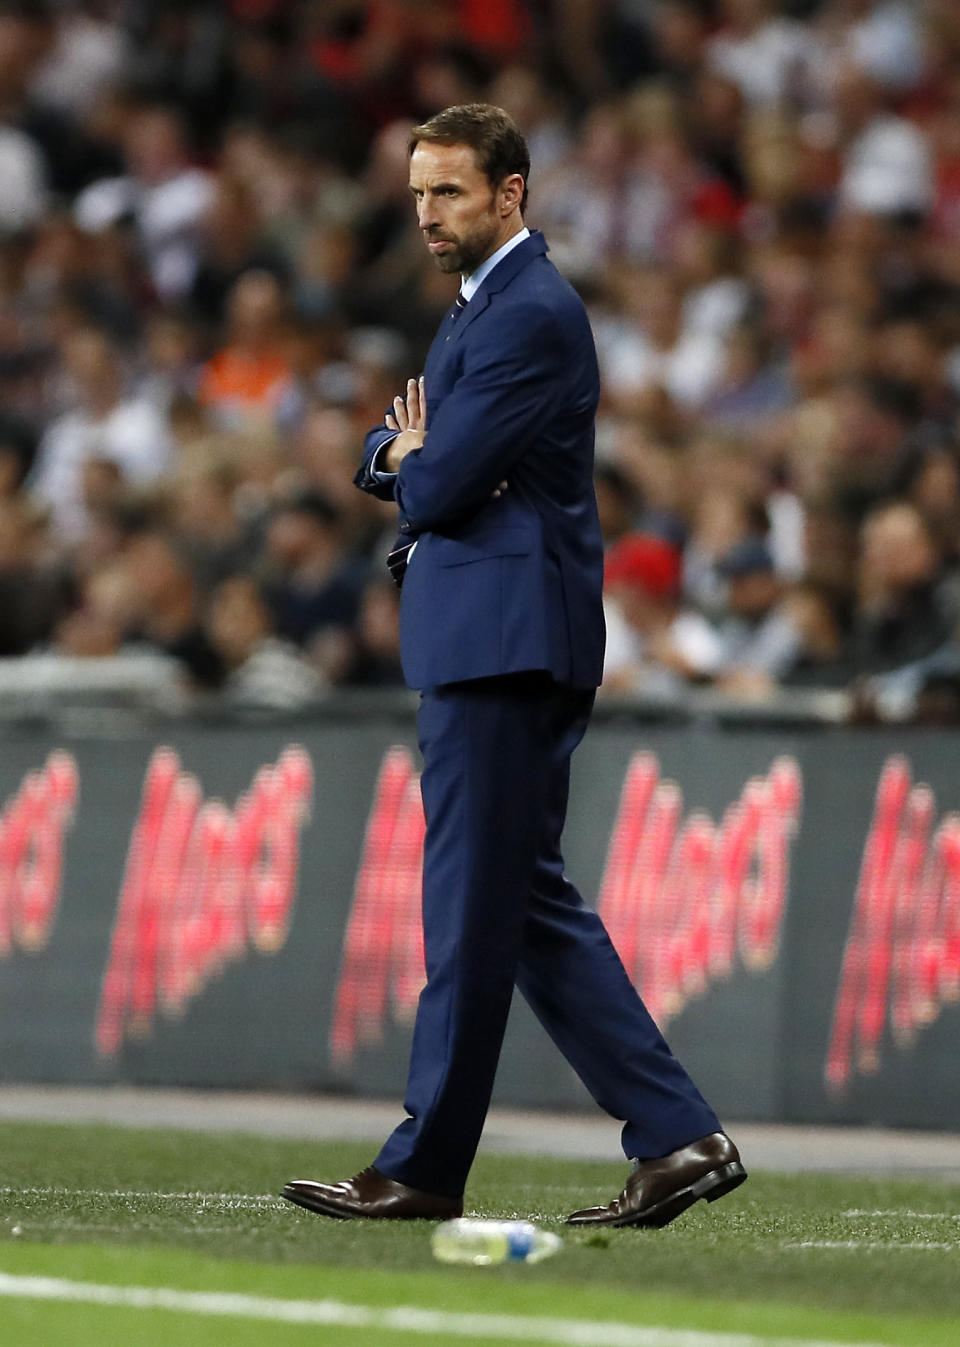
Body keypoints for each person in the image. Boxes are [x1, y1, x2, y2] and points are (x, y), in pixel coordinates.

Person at [282, 104, 745, 1228]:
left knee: (471, 914)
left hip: (504, 642)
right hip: (492, 634)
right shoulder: (483, 308)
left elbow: (431, 483)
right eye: (417, 194)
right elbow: (398, 454)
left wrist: (408, 454)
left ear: (509, 193)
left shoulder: (529, 312)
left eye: (447, 192)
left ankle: (425, 1164)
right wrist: (405, 451)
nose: (428, 214)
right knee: (519, 903)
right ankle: (679, 1138)